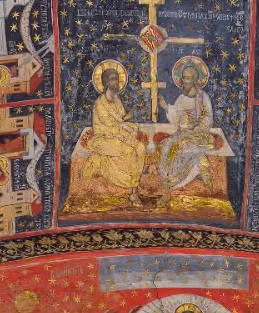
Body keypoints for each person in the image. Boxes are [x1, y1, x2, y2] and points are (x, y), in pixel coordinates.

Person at [84, 60, 146, 206]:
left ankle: (135, 182)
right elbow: (109, 125)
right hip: (103, 138)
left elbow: (120, 119)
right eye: (113, 79)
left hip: (118, 134)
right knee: (129, 151)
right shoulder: (100, 102)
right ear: (106, 82)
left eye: (117, 79)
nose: (116, 82)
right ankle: (133, 191)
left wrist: (127, 118)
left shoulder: (116, 99)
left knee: (141, 148)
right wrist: (124, 126)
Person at [157, 58, 216, 207]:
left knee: (180, 148)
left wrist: (194, 127)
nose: (185, 81)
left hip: (199, 135)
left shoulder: (202, 97)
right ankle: (166, 185)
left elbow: (208, 119)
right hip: (182, 134)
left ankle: (171, 189)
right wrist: (166, 107)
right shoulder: (181, 98)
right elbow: (177, 117)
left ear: (195, 80)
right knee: (164, 146)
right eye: (183, 78)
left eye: (188, 78)